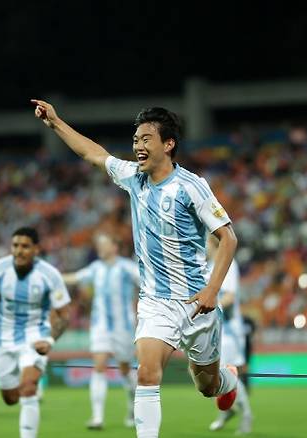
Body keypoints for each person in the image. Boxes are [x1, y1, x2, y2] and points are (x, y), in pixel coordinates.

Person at [31, 100, 239, 438]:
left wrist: (212, 290)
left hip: (196, 302)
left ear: (168, 144)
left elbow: (228, 238)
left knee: (207, 385)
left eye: (146, 139)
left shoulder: (191, 186)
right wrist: (55, 122)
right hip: (156, 303)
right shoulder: (132, 177)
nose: (138, 146)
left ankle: (227, 380)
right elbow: (93, 153)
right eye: (135, 140)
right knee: (146, 373)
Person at [0, 227, 71, 438]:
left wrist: (50, 340)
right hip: (3, 339)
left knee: (28, 387)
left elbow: (64, 315)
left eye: (25, 246)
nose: (19, 250)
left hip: (35, 337)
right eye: (15, 245)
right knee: (10, 398)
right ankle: (21, 379)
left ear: (36, 249)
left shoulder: (50, 275)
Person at [62, 233, 140, 430]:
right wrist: (54, 276)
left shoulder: (127, 267)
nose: (100, 248)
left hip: (123, 326)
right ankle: (97, 417)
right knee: (98, 365)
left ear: (115, 247)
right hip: (100, 325)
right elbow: (75, 277)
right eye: (99, 245)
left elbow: (147, 283)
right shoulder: (95, 268)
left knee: (125, 368)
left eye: (104, 244)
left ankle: (133, 406)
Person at [206, 235, 252, 434]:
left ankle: (246, 415)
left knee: (226, 372)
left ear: (214, 244)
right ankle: (228, 410)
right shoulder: (208, 266)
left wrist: (208, 305)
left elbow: (230, 297)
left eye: (206, 242)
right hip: (214, 330)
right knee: (212, 376)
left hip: (229, 331)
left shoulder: (227, 264)